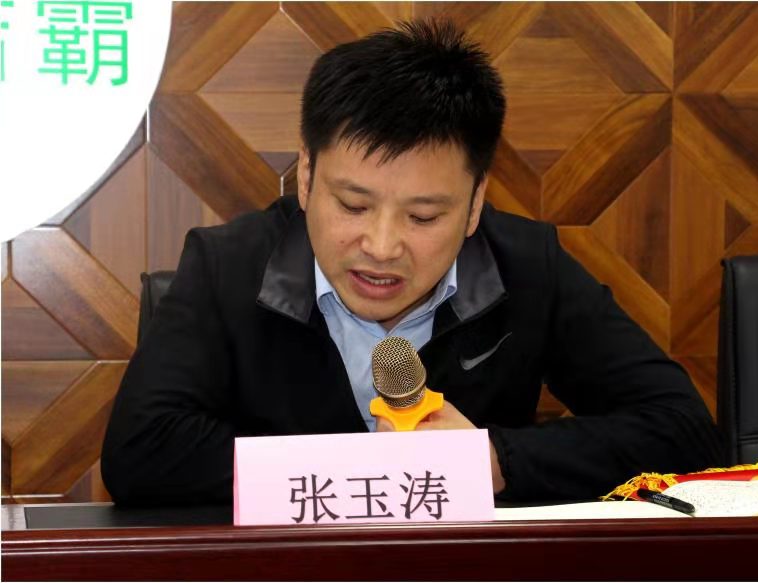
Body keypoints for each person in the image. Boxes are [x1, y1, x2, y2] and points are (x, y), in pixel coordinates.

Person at [101, 20, 721, 505]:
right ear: (307, 176)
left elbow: (683, 429)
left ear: (475, 203)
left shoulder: (528, 267)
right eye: (353, 205)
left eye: (423, 217)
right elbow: (139, 453)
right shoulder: (227, 267)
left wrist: (493, 461)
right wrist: (371, 472)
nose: (381, 246)